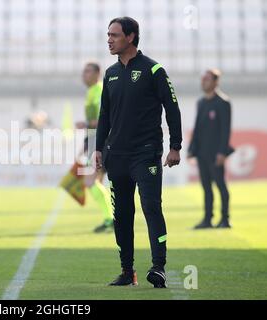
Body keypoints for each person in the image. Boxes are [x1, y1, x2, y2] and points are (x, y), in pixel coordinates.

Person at [94, 17, 182, 288]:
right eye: (108, 35)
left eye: (115, 35)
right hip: (116, 156)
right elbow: (104, 115)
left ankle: (158, 268)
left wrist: (175, 146)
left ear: (130, 37)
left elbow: (172, 108)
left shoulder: (154, 70)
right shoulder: (110, 73)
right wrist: (98, 149)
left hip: (146, 153)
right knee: (122, 214)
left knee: (151, 208)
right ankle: (127, 271)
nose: (109, 39)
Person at [188, 69, 233, 229]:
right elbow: (197, 127)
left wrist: (222, 152)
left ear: (215, 82)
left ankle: (225, 219)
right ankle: (207, 219)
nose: (203, 82)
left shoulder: (223, 102)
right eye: (202, 79)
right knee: (206, 187)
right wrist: (191, 150)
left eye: (207, 79)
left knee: (220, 185)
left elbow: (226, 130)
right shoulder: (201, 102)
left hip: (216, 154)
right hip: (202, 153)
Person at [76, 62, 114, 233]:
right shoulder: (91, 91)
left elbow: (105, 118)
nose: (84, 75)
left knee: (91, 181)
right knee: (94, 181)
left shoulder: (99, 90)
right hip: (94, 140)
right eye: (83, 71)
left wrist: (86, 124)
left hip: (102, 141)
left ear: (97, 73)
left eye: (87, 71)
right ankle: (110, 219)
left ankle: (111, 219)